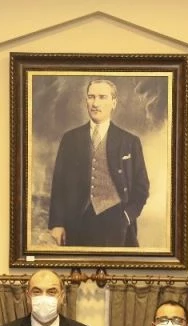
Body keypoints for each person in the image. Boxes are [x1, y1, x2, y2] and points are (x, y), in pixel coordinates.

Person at [48, 79, 150, 247]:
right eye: (91, 97)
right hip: (77, 223)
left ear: (113, 103)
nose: (95, 103)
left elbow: (142, 187)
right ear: (86, 101)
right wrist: (57, 223)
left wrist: (127, 216)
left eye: (102, 97)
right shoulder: (70, 139)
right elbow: (59, 184)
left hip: (117, 224)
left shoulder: (129, 141)